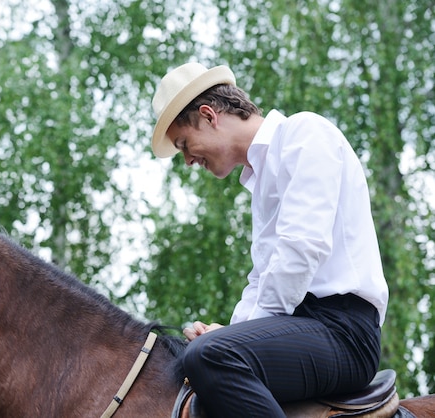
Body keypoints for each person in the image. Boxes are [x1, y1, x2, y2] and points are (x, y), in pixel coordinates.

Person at [150, 62, 389, 417]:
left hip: (344, 333)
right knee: (201, 357)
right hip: (305, 327)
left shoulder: (304, 133)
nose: (187, 160)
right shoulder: (260, 180)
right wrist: (231, 332)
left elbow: (299, 252)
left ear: (208, 115)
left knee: (207, 356)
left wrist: (228, 341)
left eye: (184, 143)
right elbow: (263, 278)